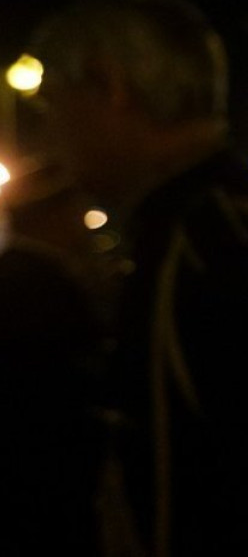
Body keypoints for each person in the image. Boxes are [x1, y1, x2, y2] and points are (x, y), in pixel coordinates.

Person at [28, 0, 248, 557]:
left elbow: (241, 489)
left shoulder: (208, 243)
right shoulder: (226, 221)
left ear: (110, 86)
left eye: (53, 103)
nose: (49, 132)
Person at [0, 158, 107, 556]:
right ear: (54, 216)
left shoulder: (19, 276)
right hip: (46, 483)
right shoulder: (35, 287)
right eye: (77, 209)